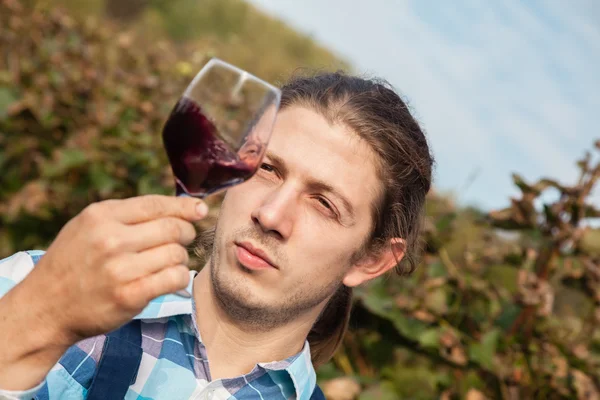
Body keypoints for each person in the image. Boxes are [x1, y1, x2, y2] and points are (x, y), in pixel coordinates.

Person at [0, 71, 433, 399]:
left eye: (324, 204)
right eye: (267, 169)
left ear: (370, 260)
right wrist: (38, 321)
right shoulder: (31, 286)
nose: (270, 214)